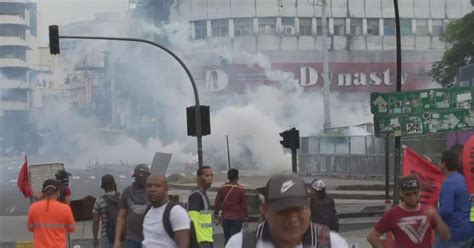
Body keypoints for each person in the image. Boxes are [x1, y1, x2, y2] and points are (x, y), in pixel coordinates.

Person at [226, 173, 348, 247]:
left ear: (309, 208)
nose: (293, 218)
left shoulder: (333, 243)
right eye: (283, 211)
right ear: (265, 210)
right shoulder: (240, 244)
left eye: (298, 209)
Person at [367, 175, 450, 248]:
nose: (412, 198)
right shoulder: (393, 214)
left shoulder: (428, 211)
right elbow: (372, 236)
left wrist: (436, 217)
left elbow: (446, 235)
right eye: (408, 195)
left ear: (420, 191)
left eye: (415, 193)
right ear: (401, 194)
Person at [436, 150, 473, 248]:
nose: (438, 164)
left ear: (443, 164)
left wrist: (432, 214)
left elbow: (446, 210)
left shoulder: (449, 183)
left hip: (452, 236)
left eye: (439, 162)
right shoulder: (463, 179)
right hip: (467, 232)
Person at [142, 174, 190, 248]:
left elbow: (183, 245)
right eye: (149, 186)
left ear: (166, 189)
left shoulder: (176, 212)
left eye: (157, 186)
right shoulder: (148, 211)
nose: (152, 189)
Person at [27, 179, 76, 247]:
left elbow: (30, 228)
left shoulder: (33, 207)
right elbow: (72, 229)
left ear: (43, 192)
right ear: (58, 192)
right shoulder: (65, 209)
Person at [114, 164, 151, 248]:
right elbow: (121, 216)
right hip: (131, 239)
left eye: (143, 174)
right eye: (138, 175)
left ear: (148, 176)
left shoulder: (152, 191)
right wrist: (117, 240)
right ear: (134, 176)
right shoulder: (127, 192)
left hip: (149, 239)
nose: (141, 177)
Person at [213, 169, 248, 244]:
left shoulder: (222, 188)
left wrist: (216, 215)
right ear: (237, 177)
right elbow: (244, 205)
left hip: (225, 218)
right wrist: (245, 218)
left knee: (227, 239)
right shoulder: (240, 189)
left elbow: (217, 204)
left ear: (228, 177)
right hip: (237, 218)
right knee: (235, 241)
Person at [188, 165, 214, 248]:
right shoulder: (196, 196)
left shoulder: (203, 195)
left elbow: (203, 221)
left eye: (211, 175)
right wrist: (195, 243)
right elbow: (193, 221)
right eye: (206, 175)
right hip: (201, 242)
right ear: (198, 178)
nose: (210, 178)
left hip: (207, 239)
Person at [93, 174, 120, 248]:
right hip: (122, 235)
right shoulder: (122, 197)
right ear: (114, 184)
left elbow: (95, 221)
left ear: (102, 187)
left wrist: (95, 238)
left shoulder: (99, 201)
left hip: (106, 236)